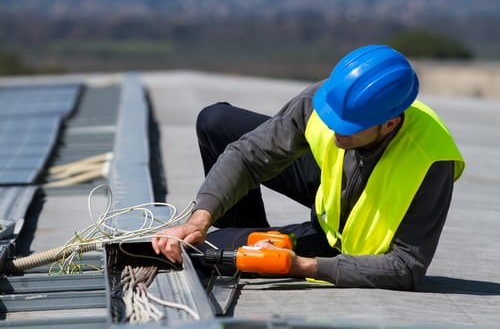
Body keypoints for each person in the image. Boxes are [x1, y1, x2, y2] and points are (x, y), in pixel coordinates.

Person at [152, 44, 465, 290]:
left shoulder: (430, 161)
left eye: (348, 127)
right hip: (329, 191)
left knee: (204, 254)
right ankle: (247, 233)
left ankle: (246, 242)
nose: (335, 130)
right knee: (216, 122)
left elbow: (405, 267)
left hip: (341, 247)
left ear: (389, 124)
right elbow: (248, 155)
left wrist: (300, 266)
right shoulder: (331, 98)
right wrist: (198, 221)